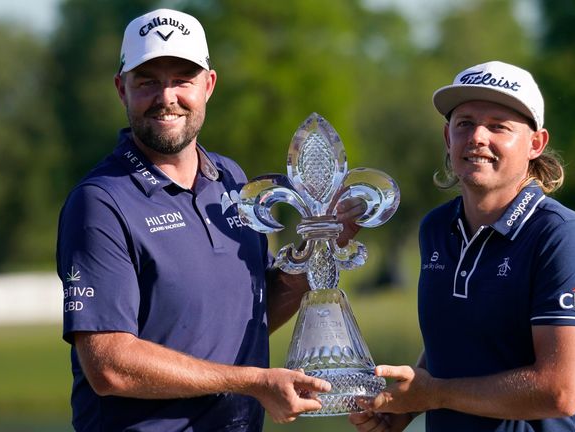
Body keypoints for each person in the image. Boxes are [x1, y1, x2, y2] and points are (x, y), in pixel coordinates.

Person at [56, 8, 364, 432]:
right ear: (121, 90)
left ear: (208, 85)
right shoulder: (101, 202)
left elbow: (247, 319)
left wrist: (316, 257)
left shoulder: (234, 182)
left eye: (182, 80)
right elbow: (110, 366)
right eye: (148, 82)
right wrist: (252, 383)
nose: (167, 97)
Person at [349, 61, 575, 431]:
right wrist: (405, 406)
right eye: (465, 123)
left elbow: (561, 391)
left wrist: (434, 394)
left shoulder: (562, 236)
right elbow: (455, 341)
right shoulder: (435, 228)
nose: (477, 137)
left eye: (499, 126)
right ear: (447, 137)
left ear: (536, 143)